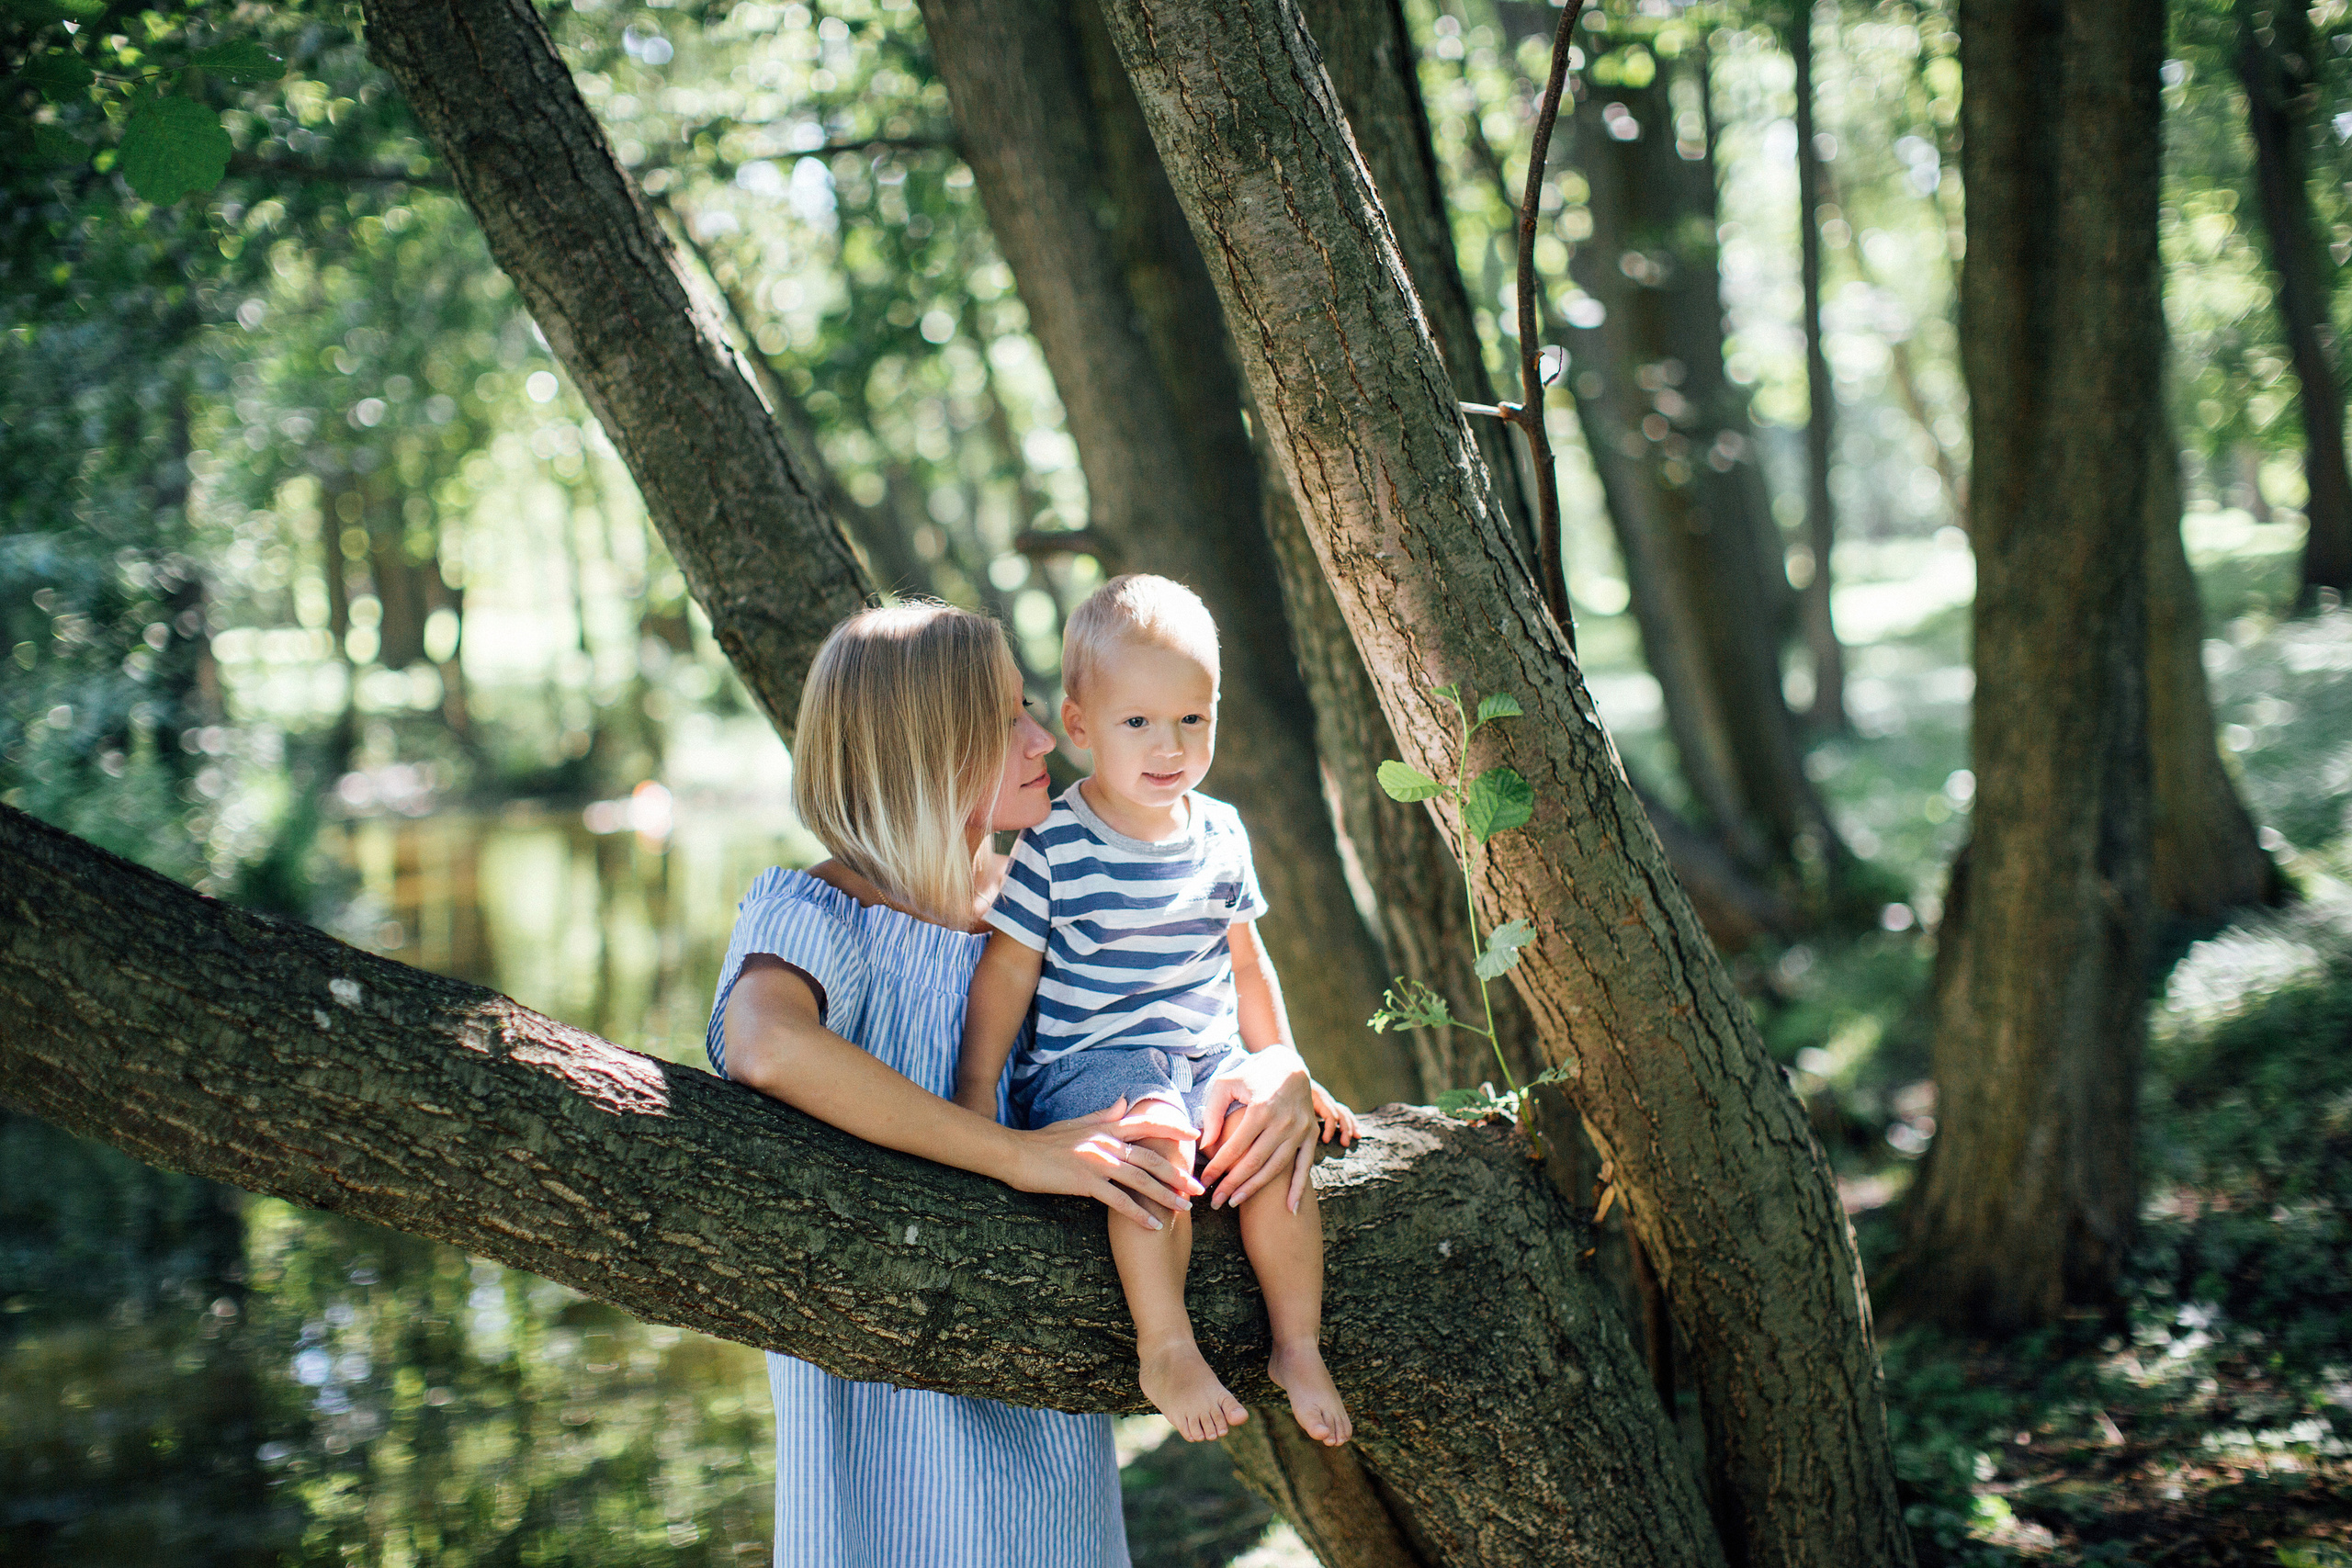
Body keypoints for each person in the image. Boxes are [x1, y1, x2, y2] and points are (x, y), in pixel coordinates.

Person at [707, 601, 1341, 1568]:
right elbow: (767, 1046)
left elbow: (1192, 1008)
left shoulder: (1046, 897)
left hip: (1048, 1413)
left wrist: (1279, 1073)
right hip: (888, 1421)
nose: (1044, 736)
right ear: (927, 748)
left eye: (1028, 709)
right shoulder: (822, 909)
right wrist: (1015, 1154)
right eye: (1007, 719)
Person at [956, 575, 1357, 1450]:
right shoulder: (1054, 841)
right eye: (1137, 720)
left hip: (1206, 1059)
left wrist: (1283, 1062)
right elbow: (1007, 974)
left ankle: (1297, 1344)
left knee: (1276, 1156)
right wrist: (979, 1089)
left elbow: (1247, 965)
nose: (1169, 745)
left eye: (1192, 718)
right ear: (1080, 725)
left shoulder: (1221, 833)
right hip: (1093, 1064)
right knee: (1157, 1139)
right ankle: (1166, 1345)